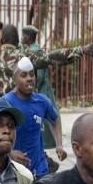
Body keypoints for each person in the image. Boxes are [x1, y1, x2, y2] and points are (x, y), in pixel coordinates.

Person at [0, 24, 93, 102]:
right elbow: (52, 57)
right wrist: (81, 50)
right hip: (23, 115)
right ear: (18, 41)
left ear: (2, 41)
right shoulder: (26, 56)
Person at [5, 56, 67, 177]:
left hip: (40, 171)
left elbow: (55, 119)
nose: (29, 79)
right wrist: (9, 153)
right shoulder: (6, 103)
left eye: (32, 74)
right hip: (14, 172)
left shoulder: (42, 101)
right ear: (14, 80)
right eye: (23, 75)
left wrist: (59, 144)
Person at [21, 25, 61, 156]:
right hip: (43, 91)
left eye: (23, 35)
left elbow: (38, 76)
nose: (21, 38)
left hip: (40, 92)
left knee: (40, 126)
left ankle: (43, 156)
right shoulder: (35, 50)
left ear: (28, 37)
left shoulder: (34, 51)